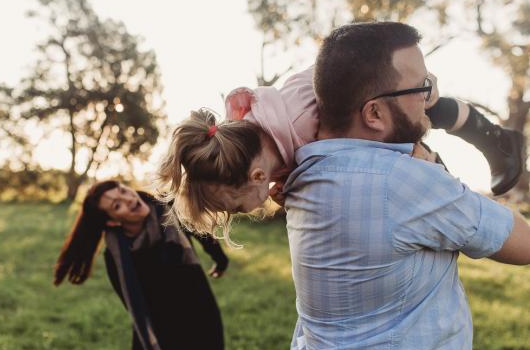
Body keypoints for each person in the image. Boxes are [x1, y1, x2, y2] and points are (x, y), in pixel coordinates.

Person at [283, 22, 530, 350]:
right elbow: (523, 243)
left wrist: (416, 92)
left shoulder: (301, 168)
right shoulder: (402, 182)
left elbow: (339, 70)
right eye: (421, 89)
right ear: (374, 115)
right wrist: (435, 166)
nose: (429, 98)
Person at [157, 63, 523, 240]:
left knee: (429, 109)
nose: (244, 212)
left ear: (255, 177)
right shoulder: (255, 146)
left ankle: (491, 135)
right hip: (369, 124)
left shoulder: (302, 124)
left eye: (236, 207)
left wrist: (404, 79)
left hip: (376, 92)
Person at [54, 181, 227, 350]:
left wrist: (220, 259)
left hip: (199, 318)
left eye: (123, 191)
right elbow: (138, 308)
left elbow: (202, 232)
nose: (129, 199)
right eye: (117, 206)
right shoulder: (117, 257)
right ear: (112, 222)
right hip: (153, 330)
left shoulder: (171, 211)